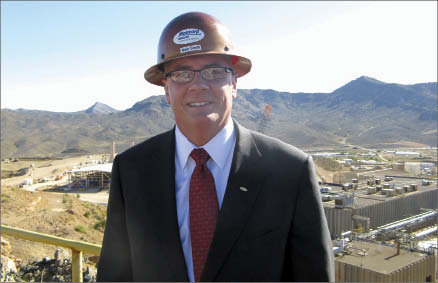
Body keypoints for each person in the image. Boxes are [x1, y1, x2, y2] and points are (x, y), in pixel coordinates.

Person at [97, 11, 334, 282]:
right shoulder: (131, 171)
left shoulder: (291, 171)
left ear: (234, 83)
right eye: (182, 74)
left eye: (214, 72)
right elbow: (115, 275)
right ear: (166, 89)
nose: (198, 85)